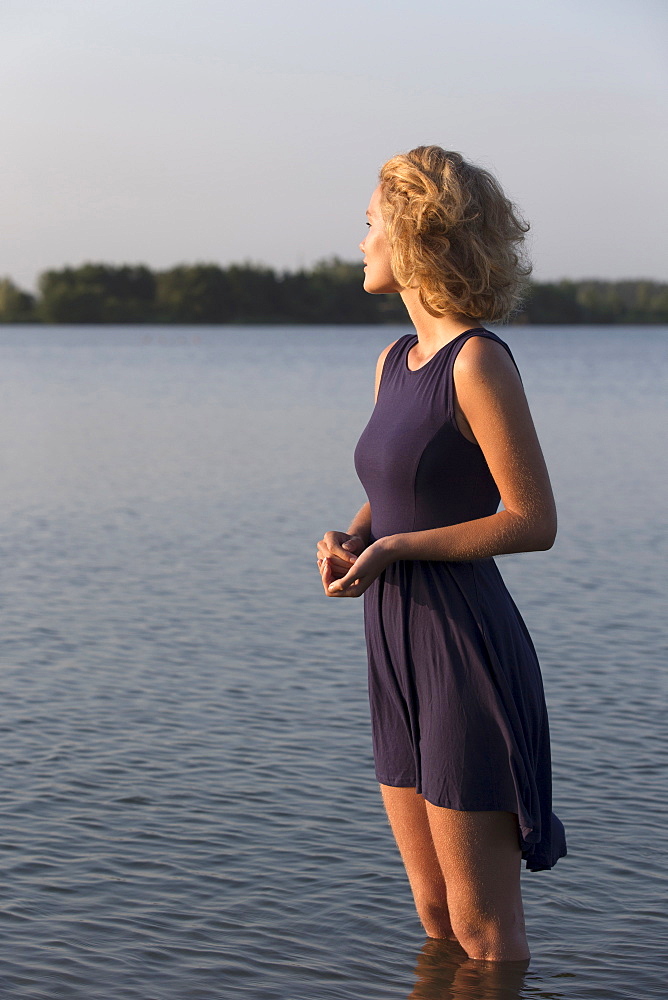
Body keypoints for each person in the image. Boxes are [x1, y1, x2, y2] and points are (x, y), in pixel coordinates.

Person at [316, 146, 566, 963]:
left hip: (461, 643)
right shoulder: (395, 362)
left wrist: (394, 548)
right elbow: (393, 486)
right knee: (433, 912)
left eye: (369, 225)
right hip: (391, 640)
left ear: (415, 234)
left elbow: (532, 519)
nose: (360, 242)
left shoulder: (478, 360)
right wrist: (355, 540)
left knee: (485, 929)